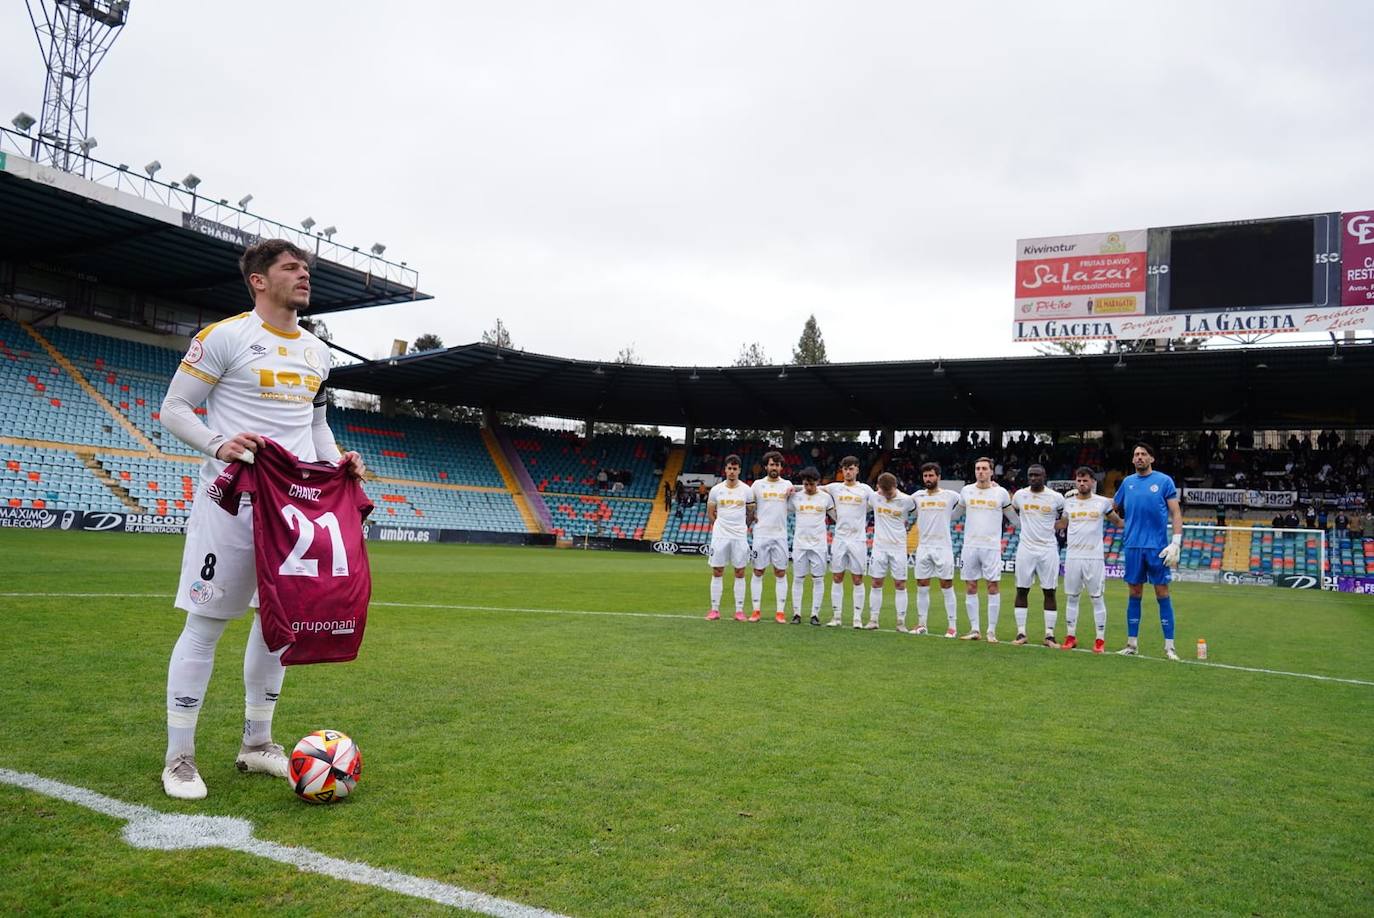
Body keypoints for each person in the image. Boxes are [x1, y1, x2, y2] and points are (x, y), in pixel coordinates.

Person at [157, 239, 366, 800]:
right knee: (205, 625)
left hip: (292, 511)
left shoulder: (318, 353)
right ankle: (179, 758)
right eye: (291, 268)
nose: (304, 276)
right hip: (232, 504)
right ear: (259, 280)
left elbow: (314, 427)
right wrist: (219, 444)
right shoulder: (224, 337)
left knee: (278, 625)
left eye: (306, 269)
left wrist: (337, 460)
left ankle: (257, 744)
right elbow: (174, 409)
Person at [1112, 442, 1183, 660]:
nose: (1139, 457)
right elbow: (1110, 509)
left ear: (1151, 459)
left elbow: (1176, 512)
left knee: (1162, 593)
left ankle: (1169, 647)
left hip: (1157, 548)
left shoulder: (1164, 481)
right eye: (1136, 454)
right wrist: (1121, 522)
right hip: (1133, 546)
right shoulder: (1127, 482)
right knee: (1134, 593)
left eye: (1143, 454)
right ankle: (1131, 644)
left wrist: (1176, 542)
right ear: (1132, 460)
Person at [1056, 467, 1122, 653]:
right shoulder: (1069, 503)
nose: (1082, 484)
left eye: (1085, 480)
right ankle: (1070, 636)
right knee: (1072, 597)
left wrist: (1139, 522)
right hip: (1073, 557)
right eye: (1079, 480)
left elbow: (1117, 522)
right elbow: (1062, 524)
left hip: (1094, 558)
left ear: (1093, 482)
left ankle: (1100, 640)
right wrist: (1038, 521)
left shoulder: (1102, 503)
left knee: (1096, 598)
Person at [959, 457, 1017, 641]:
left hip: (991, 546)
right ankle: (975, 629)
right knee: (970, 586)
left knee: (992, 586)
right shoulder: (966, 491)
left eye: (984, 468)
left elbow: (1013, 518)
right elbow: (954, 515)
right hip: (969, 546)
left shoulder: (1000, 493)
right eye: (977, 468)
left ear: (991, 471)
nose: (981, 471)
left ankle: (991, 631)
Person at [1010, 464, 1065, 647]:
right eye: (1030, 475)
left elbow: (1064, 519)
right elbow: (1013, 512)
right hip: (1026, 548)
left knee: (1049, 591)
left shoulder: (1056, 498)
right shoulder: (1020, 495)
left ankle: (1049, 635)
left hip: (1048, 548)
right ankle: (1021, 632)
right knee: (1021, 589)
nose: (1033, 478)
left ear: (1044, 476)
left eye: (1037, 475)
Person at [910, 462, 963, 637]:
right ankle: (922, 624)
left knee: (946, 585)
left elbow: (969, 498)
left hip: (943, 547)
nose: (928, 479)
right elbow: (898, 500)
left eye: (931, 475)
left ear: (938, 477)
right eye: (925, 476)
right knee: (922, 585)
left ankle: (952, 626)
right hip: (923, 546)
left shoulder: (951, 496)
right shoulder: (917, 496)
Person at [824, 456, 874, 627]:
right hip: (840, 539)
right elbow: (814, 487)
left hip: (858, 539)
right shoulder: (835, 487)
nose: (848, 472)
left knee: (857, 578)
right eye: (845, 469)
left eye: (851, 468)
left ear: (857, 470)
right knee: (837, 577)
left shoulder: (865, 490)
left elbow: (880, 501)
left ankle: (857, 618)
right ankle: (836, 617)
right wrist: (791, 488)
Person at [706, 455, 755, 621]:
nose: (732, 472)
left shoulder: (746, 490)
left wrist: (743, 527)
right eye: (729, 468)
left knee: (740, 571)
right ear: (725, 469)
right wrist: (719, 526)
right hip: (720, 536)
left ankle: (739, 611)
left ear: (739, 470)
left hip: (739, 536)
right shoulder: (716, 490)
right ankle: (714, 610)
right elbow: (710, 513)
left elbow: (751, 513)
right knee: (717, 570)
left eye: (735, 469)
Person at [866, 472, 915, 631]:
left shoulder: (907, 500)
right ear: (879, 488)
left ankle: (901, 622)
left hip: (898, 548)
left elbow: (919, 510)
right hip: (879, 547)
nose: (886, 495)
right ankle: (873, 620)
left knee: (900, 584)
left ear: (895, 487)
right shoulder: (874, 497)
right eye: (883, 492)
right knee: (876, 582)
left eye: (889, 492)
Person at [750, 451, 794, 623]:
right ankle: (756, 611)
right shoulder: (757, 485)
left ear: (781, 467)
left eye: (777, 464)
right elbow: (749, 505)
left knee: (780, 572)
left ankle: (780, 612)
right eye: (771, 464)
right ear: (766, 466)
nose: (774, 467)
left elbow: (799, 496)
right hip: (761, 534)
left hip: (780, 535)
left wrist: (795, 489)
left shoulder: (787, 485)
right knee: (758, 571)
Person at [788, 467, 835, 625]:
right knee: (798, 578)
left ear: (818, 482)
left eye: (811, 484)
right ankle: (796, 613)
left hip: (818, 545)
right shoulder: (795, 497)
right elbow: (782, 510)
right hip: (800, 544)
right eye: (805, 484)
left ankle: (815, 614)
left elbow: (835, 517)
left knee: (818, 579)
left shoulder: (825, 498)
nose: (808, 488)